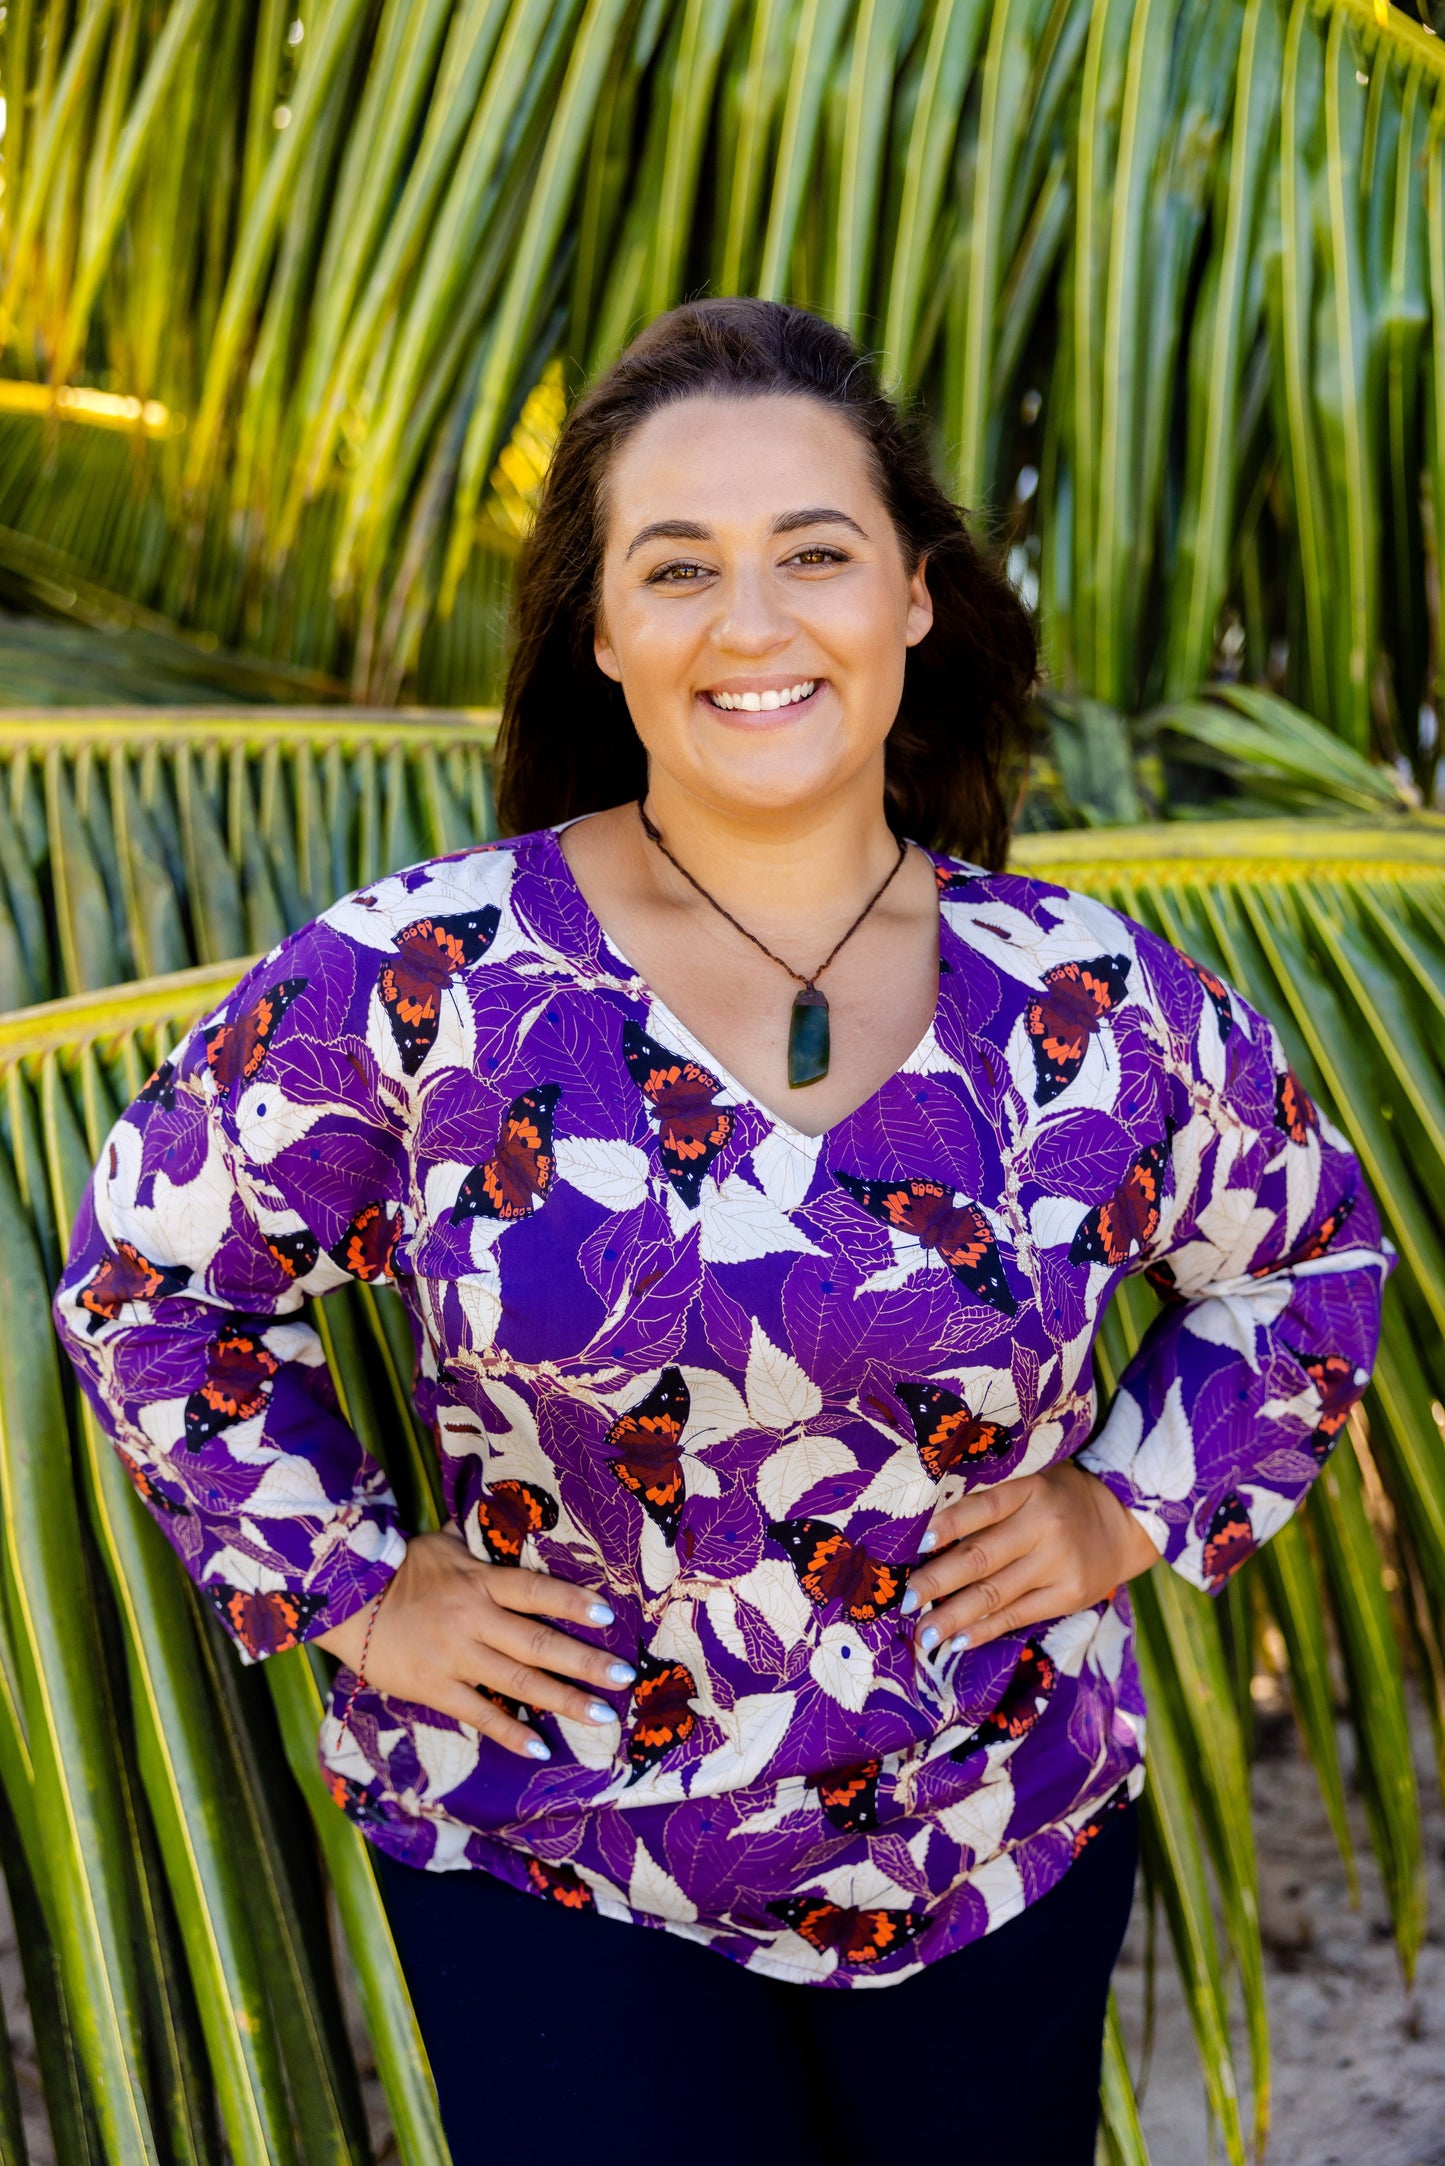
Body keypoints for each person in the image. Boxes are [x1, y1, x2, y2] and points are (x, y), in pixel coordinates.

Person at [53, 299, 1390, 2166]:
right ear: (601, 633)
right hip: (557, 1848)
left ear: (912, 597)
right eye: (678, 567)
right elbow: (151, 1283)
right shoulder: (420, 983)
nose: (751, 623)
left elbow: (1311, 1257)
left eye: (814, 554)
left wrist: (1126, 1501)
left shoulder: (1089, 1003)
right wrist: (362, 1585)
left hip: (989, 1825)